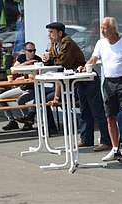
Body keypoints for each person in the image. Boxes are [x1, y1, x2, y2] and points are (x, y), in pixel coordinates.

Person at [42, 21, 112, 151]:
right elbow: (53, 59)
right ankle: (86, 139)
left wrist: (51, 58)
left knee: (97, 111)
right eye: (49, 32)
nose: (49, 35)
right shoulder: (54, 44)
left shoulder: (67, 42)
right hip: (78, 80)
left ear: (60, 33)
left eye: (51, 32)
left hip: (88, 78)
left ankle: (106, 140)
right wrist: (47, 59)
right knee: (85, 110)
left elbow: (63, 61)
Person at [83, 17, 122, 162]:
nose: (102, 30)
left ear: (113, 29)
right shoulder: (100, 43)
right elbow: (94, 58)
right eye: (101, 27)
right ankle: (114, 148)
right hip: (108, 82)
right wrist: (86, 65)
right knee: (110, 116)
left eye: (105, 28)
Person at [0, 42, 38, 131]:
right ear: (25, 51)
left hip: (33, 89)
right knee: (0, 98)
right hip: (22, 87)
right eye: (30, 51)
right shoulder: (22, 58)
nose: (33, 53)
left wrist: (20, 78)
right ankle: (12, 121)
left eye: (34, 50)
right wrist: (27, 63)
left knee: (20, 100)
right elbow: (13, 71)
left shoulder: (37, 60)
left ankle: (28, 122)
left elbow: (34, 76)